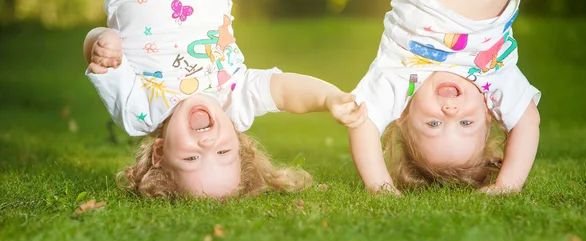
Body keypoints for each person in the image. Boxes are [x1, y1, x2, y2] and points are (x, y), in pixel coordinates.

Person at [84, 0, 362, 198]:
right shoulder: (232, 99)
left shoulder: (139, 113)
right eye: (223, 152)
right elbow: (283, 91)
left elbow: (98, 54)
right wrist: (328, 98)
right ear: (238, 140)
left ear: (159, 152)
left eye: (192, 157)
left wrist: (103, 41)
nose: (206, 143)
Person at [345, 0, 541, 194]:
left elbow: (362, 121)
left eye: (433, 124)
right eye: (465, 123)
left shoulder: (399, 77)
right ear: (487, 112)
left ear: (404, 115)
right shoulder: (495, 78)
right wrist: (508, 184)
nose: (450, 112)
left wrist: (379, 186)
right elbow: (527, 121)